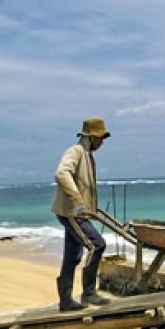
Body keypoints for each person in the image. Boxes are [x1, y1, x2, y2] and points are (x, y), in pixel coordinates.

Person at [51, 117, 112, 311]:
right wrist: (77, 201)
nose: (102, 142)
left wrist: (90, 208)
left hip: (77, 213)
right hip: (71, 212)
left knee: (72, 256)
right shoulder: (75, 151)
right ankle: (88, 293)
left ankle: (66, 301)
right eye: (101, 138)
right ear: (92, 137)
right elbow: (61, 174)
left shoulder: (87, 155)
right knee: (97, 245)